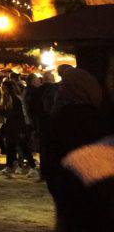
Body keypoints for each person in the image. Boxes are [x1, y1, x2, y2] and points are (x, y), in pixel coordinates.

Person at [46, 64, 106, 226]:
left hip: (68, 195)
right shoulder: (95, 119)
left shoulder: (56, 118)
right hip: (95, 197)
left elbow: (49, 162)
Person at [0, 77, 37, 177]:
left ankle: (33, 168)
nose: (3, 89)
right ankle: (9, 167)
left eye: (4, 87)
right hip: (11, 126)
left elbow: (16, 114)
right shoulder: (8, 98)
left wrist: (1, 111)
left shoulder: (15, 99)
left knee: (23, 147)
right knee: (10, 147)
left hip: (18, 127)